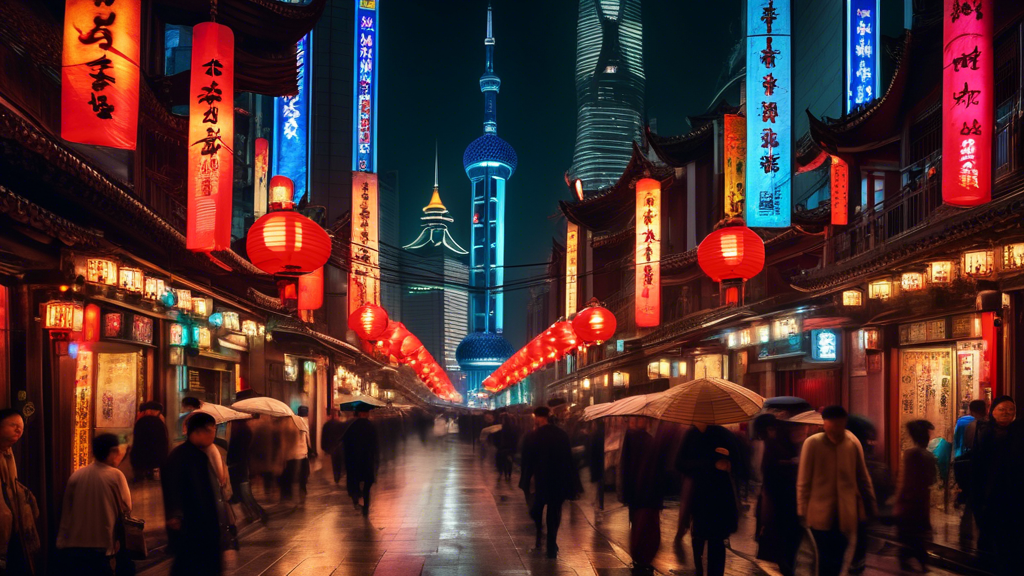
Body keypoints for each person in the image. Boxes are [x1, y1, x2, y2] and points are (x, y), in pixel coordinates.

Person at [796, 405, 876, 576]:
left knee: (840, 556)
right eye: (832, 424)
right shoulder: (813, 444)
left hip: (845, 514)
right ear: (824, 424)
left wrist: (871, 504)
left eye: (840, 424)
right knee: (824, 558)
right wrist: (802, 510)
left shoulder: (852, 442)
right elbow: (803, 481)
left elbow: (862, 476)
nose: (836, 429)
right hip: (819, 514)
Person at [162, 412, 229, 576]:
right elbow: (172, 487)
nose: (214, 434)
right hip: (193, 527)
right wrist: (175, 515)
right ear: (199, 431)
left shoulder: (202, 454)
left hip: (204, 527)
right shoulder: (180, 456)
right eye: (212, 430)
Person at [56, 434, 132, 576]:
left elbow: (66, 511)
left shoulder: (76, 476)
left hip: (74, 546)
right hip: (103, 546)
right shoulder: (116, 476)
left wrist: (61, 542)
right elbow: (127, 507)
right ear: (113, 452)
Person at [970, 395, 1024, 575]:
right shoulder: (984, 431)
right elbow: (976, 462)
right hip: (988, 490)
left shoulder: (1019, 431)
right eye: (1002, 409)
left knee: (1012, 532)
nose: (1006, 413)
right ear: (992, 412)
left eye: (1011, 409)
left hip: (1014, 490)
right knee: (988, 530)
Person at [676, 422, 739, 576]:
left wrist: (730, 464)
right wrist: (712, 464)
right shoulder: (691, 435)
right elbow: (679, 463)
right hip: (699, 497)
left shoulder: (724, 435)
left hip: (720, 498)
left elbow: (740, 463)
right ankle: (700, 571)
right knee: (699, 539)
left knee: (717, 542)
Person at [519, 406, 581, 559]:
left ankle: (540, 536)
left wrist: (527, 477)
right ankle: (552, 544)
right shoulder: (562, 434)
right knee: (554, 512)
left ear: (540, 417)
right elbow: (568, 459)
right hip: (557, 480)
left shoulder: (533, 435)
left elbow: (526, 458)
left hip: (540, 480)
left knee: (536, 509)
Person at [619, 417, 666, 576]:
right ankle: (643, 560)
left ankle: (640, 559)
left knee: (639, 528)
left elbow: (625, 468)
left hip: (637, 494)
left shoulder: (632, 438)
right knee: (647, 530)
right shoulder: (648, 441)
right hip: (647, 495)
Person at [756, 416, 801, 576]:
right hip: (788, 509)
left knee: (777, 554)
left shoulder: (774, 447)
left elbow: (766, 485)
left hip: (781, 510)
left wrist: (764, 521)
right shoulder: (784, 447)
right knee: (785, 554)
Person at [0, 409, 40, 576]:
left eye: (21, 427)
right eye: (13, 425)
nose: (19, 430)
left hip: (12, 529)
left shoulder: (8, 451)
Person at [895, 420, 937, 573]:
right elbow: (931, 479)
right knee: (917, 534)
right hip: (921, 501)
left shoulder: (911, 454)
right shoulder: (928, 455)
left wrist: (898, 500)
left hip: (910, 502)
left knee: (909, 534)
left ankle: (911, 559)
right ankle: (920, 561)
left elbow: (905, 481)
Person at [226, 418, 266, 524]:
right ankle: (256, 514)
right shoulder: (241, 432)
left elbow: (240, 453)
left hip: (239, 467)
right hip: (239, 467)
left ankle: (260, 514)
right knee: (243, 494)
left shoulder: (243, 433)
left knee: (245, 494)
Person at [343, 408, 379, 516]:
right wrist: (376, 459)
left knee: (355, 480)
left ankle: (355, 499)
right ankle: (366, 506)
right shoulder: (371, 426)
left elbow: (346, 445)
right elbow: (375, 445)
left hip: (354, 460)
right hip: (367, 459)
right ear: (364, 413)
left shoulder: (351, 426)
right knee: (367, 484)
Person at [129, 401, 168, 482]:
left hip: (141, 457)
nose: (159, 413)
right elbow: (163, 440)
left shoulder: (141, 420)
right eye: (158, 411)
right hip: (155, 457)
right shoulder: (156, 421)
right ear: (151, 410)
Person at [321, 409, 347, 484]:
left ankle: (335, 478)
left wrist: (324, 448)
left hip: (330, 448)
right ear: (336, 415)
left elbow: (323, 437)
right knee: (339, 463)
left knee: (333, 464)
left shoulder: (326, 425)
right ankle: (338, 477)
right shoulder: (340, 424)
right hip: (339, 447)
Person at [493, 414, 520, 481]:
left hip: (503, 447)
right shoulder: (513, 428)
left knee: (501, 460)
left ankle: (502, 472)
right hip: (509, 448)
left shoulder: (500, 428)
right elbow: (515, 439)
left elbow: (496, 438)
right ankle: (508, 474)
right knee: (508, 461)